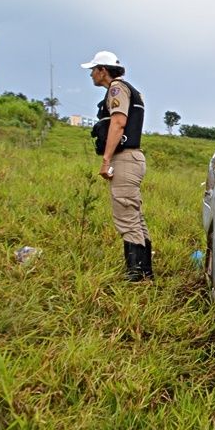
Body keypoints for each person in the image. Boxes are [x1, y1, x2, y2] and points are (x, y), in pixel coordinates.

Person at [80, 50, 153, 281]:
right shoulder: (131, 90)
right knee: (135, 216)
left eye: (93, 69)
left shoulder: (117, 89)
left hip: (125, 159)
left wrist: (105, 161)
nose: (91, 74)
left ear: (103, 70)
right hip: (133, 159)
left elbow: (119, 124)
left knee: (126, 218)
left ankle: (136, 277)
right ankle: (144, 273)